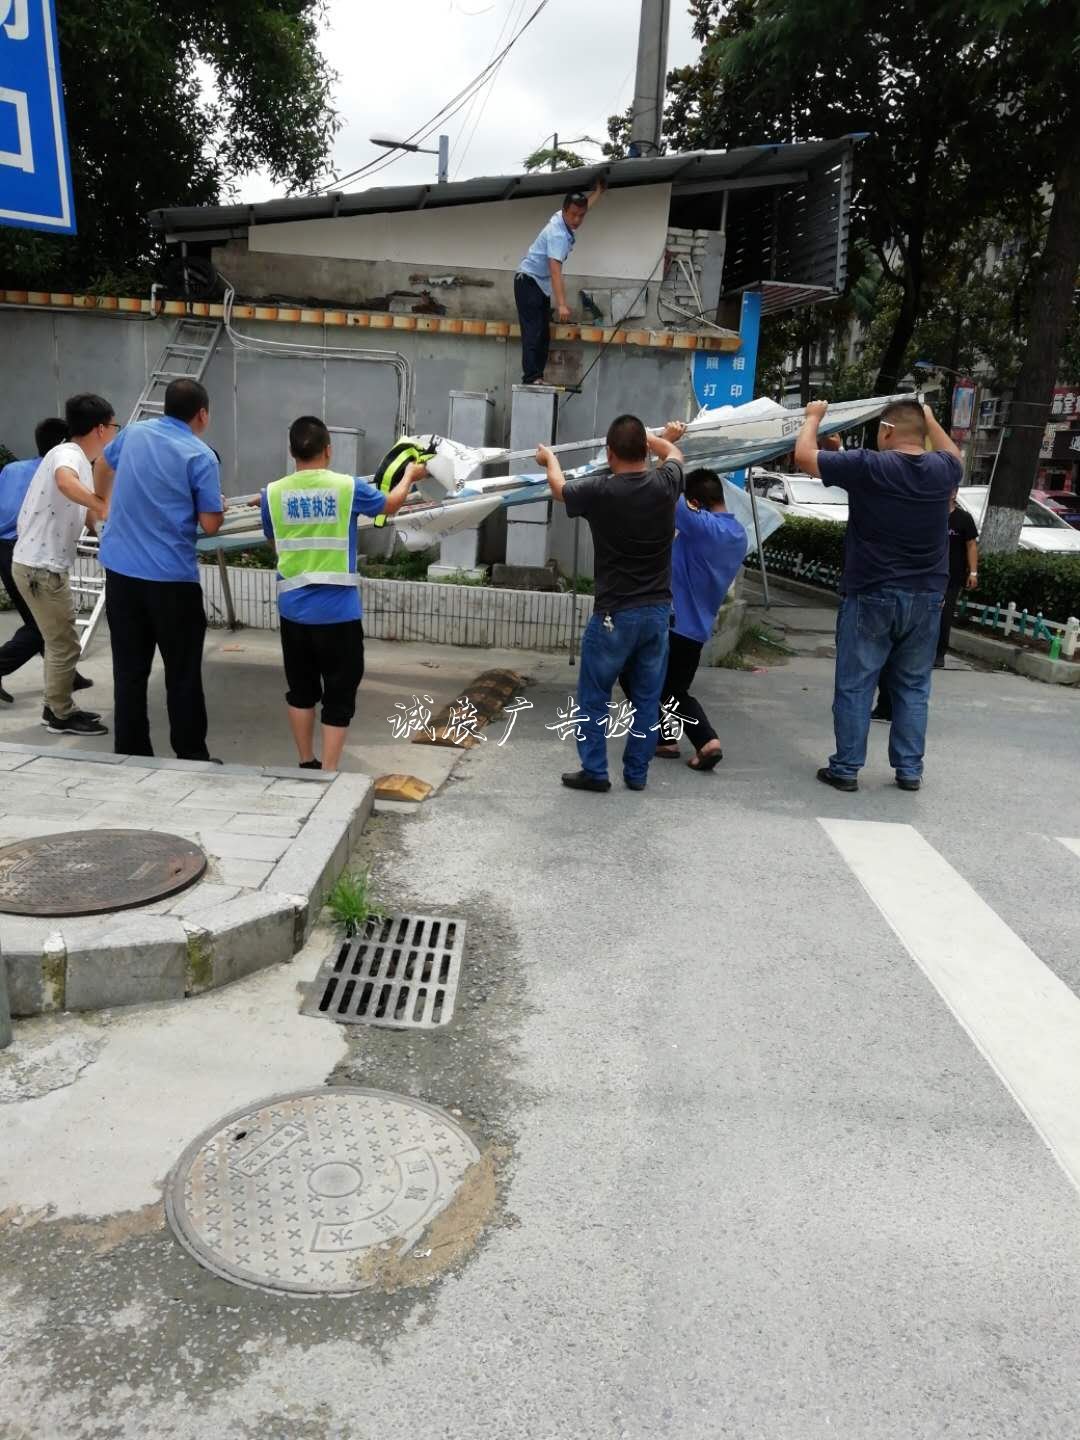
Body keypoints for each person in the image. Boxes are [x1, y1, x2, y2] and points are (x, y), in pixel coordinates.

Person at [794, 398, 962, 792]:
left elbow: (803, 456)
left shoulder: (870, 465)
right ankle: (909, 770)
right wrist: (931, 419)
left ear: (886, 430)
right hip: (927, 597)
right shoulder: (942, 470)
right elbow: (953, 452)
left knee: (856, 683)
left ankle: (847, 768)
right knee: (914, 686)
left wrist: (813, 418)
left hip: (872, 592)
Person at [261, 415, 424, 771]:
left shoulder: (272, 493)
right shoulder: (347, 488)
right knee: (339, 691)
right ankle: (328, 771)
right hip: (338, 612)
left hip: (294, 611)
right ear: (329, 451)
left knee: (300, 689)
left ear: (292, 452)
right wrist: (410, 477)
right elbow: (390, 505)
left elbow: (274, 540)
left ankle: (306, 762)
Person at [535, 414, 686, 793]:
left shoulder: (601, 491)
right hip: (657, 613)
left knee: (595, 695)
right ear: (643, 449)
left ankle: (596, 771)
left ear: (609, 452)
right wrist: (659, 439)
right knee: (648, 698)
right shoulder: (665, 485)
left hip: (615, 614)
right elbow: (676, 455)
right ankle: (637, 774)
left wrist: (549, 458)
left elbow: (558, 488)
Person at [94, 378, 224, 760]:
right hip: (171, 581)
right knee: (181, 673)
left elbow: (102, 462)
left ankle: (131, 751)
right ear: (201, 414)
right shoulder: (199, 455)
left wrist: (103, 502)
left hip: (121, 574)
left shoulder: (134, 433)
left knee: (130, 670)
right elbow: (211, 524)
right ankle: (190, 754)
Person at [10, 395, 115, 736]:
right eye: (113, 426)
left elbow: (87, 515)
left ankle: (56, 705)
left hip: (42, 565)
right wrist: (100, 502)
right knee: (62, 643)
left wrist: (109, 529)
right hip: (40, 568)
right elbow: (65, 483)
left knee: (61, 640)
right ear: (100, 428)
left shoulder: (81, 458)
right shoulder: (68, 454)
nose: (114, 432)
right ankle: (59, 713)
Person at [651, 467, 749, 772]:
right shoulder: (737, 534)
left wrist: (667, 452)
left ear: (696, 502)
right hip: (697, 627)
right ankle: (665, 739)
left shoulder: (703, 526)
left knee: (654, 683)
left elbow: (666, 491)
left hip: (676, 623)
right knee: (667, 686)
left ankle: (706, 740)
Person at [0, 417, 94, 706]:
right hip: (30, 552)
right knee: (41, 625)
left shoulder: (11, 469)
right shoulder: (53, 472)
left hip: (5, 549)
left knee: (42, 620)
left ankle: (69, 676)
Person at [871, 484, 979, 721]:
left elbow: (971, 544)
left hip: (943, 581)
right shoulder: (925, 515)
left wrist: (973, 572)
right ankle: (887, 705)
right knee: (892, 652)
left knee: (937, 623)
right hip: (914, 583)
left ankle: (937, 654)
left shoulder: (962, 519)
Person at [515, 179, 606, 385]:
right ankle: (531, 378)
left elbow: (584, 206)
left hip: (538, 284)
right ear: (564, 211)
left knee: (543, 334)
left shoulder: (565, 218)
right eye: (573, 215)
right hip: (528, 282)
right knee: (534, 331)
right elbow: (555, 271)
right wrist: (562, 304)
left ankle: (536, 376)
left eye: (580, 216)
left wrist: (598, 192)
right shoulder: (557, 234)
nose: (576, 220)